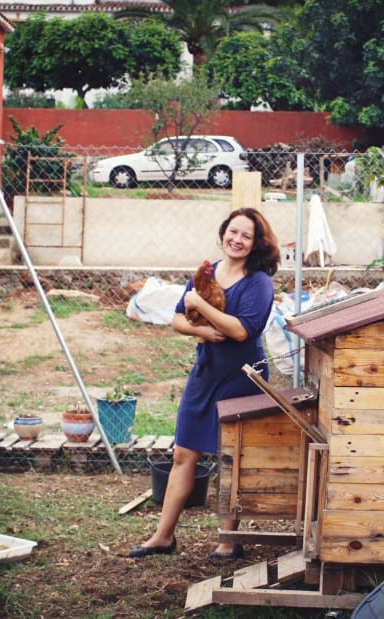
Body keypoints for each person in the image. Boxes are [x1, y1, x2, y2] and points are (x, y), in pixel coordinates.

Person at [130, 207, 280, 559]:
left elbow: (242, 329)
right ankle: (163, 537)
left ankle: (229, 539)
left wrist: (200, 304)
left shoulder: (258, 282)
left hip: (243, 376)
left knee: (231, 458)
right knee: (184, 453)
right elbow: (178, 319)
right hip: (206, 373)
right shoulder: (207, 272)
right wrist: (199, 328)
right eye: (233, 231)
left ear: (256, 243)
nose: (237, 239)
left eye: (247, 235)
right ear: (223, 232)